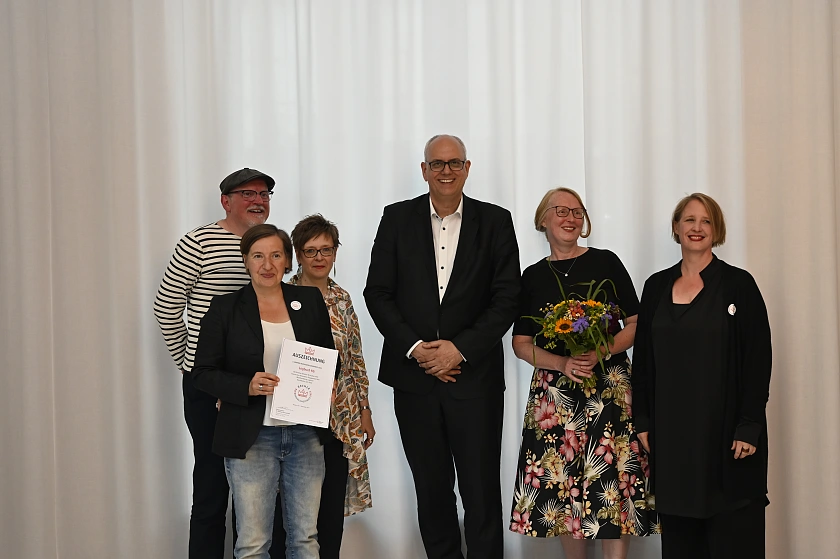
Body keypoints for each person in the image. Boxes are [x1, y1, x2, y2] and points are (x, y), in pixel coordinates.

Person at [364, 134, 521, 559]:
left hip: (475, 380)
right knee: (431, 492)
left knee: (480, 491)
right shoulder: (396, 218)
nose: (446, 171)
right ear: (424, 170)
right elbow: (378, 292)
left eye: (454, 163)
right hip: (413, 381)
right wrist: (416, 348)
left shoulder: (496, 221)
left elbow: (507, 297)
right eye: (437, 163)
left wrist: (459, 349)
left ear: (467, 168)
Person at [508, 187, 657, 559]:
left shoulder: (606, 262)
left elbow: (637, 323)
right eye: (561, 210)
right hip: (555, 397)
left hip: (609, 391)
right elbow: (521, 344)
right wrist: (562, 363)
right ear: (543, 219)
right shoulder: (532, 276)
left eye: (577, 212)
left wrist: (601, 350)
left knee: (614, 483)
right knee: (564, 488)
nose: (571, 218)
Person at [631, 193, 772, 559]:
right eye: (689, 220)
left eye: (706, 220)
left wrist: (749, 425)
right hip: (673, 440)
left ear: (716, 230)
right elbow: (642, 360)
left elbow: (758, 359)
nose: (697, 227)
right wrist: (642, 419)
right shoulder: (655, 287)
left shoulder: (739, 285)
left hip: (727, 437)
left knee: (733, 537)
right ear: (676, 227)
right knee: (682, 542)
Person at [153, 167, 281, 559]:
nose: (258, 201)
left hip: (258, 383)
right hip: (209, 382)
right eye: (248, 194)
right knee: (211, 483)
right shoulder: (198, 243)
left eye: (264, 194)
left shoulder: (269, 243)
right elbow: (167, 306)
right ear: (226, 201)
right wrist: (189, 364)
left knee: (257, 487)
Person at [191, 224, 339, 559]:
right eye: (258, 256)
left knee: (305, 539)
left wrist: (327, 382)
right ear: (245, 260)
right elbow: (202, 373)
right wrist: (245, 385)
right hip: (251, 436)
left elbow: (329, 357)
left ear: (287, 260)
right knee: (253, 544)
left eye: (276, 255)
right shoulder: (225, 307)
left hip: (305, 434)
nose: (267, 265)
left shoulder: (309, 301)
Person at [275, 214, 375, 558]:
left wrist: (364, 410)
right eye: (311, 250)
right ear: (297, 254)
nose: (319, 257)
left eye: (326, 249)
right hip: (294, 417)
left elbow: (355, 357)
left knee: (330, 509)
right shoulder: (281, 296)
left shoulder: (342, 298)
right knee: (292, 511)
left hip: (340, 418)